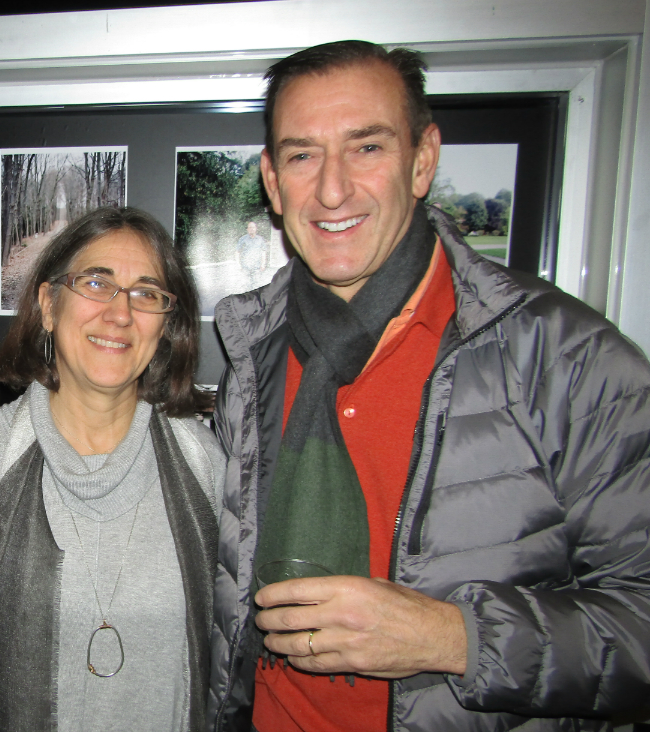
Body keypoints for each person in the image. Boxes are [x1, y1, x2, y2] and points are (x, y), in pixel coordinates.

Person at [209, 40, 650, 731]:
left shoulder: (568, 359)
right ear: (272, 181)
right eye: (302, 155)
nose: (331, 189)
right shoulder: (251, 352)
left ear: (422, 161)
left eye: (367, 148)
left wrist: (453, 638)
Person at [0, 207, 225, 732]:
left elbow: (222, 660)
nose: (120, 314)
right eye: (96, 283)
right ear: (48, 305)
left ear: (166, 325)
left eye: (147, 294)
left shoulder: (201, 465)